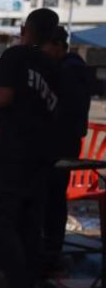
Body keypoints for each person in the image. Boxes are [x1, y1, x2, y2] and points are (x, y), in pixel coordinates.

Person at [0, 8, 61, 288]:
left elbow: (3, 97)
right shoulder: (54, 66)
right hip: (42, 157)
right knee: (30, 227)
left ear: (25, 28)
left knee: (0, 221)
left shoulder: (15, 56)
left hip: (14, 154)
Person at [42, 25, 92, 275]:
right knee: (51, 198)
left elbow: (65, 112)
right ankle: (49, 251)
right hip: (60, 143)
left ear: (58, 45)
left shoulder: (70, 70)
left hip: (61, 145)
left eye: (46, 47)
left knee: (52, 198)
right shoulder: (68, 67)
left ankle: (51, 253)